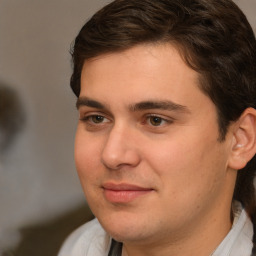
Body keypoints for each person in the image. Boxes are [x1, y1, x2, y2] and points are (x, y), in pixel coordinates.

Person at [58, 0, 256, 255]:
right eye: (97, 118)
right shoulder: (78, 247)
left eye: (155, 120)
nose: (112, 155)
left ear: (241, 139)